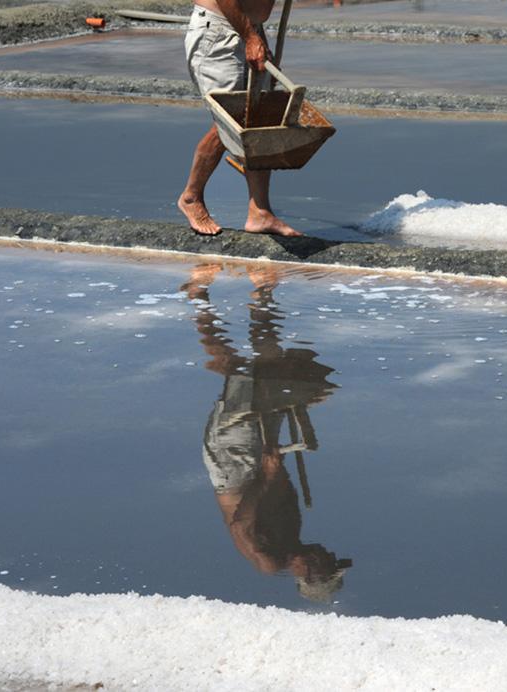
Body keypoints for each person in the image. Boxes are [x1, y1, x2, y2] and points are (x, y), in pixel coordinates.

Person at [184, 264, 351, 602]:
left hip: (235, 469)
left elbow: (240, 522)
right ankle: (262, 295)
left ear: (311, 573)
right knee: (270, 373)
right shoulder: (293, 534)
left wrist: (267, 473)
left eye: (328, 561)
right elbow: (283, 489)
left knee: (239, 376)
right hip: (260, 463)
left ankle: (199, 296)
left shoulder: (268, 560)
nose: (328, 553)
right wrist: (274, 459)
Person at [178, 0, 301, 238]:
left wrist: (257, 37)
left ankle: (260, 212)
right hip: (220, 33)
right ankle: (191, 196)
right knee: (230, 121)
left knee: (259, 117)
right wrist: (251, 37)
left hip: (248, 28)